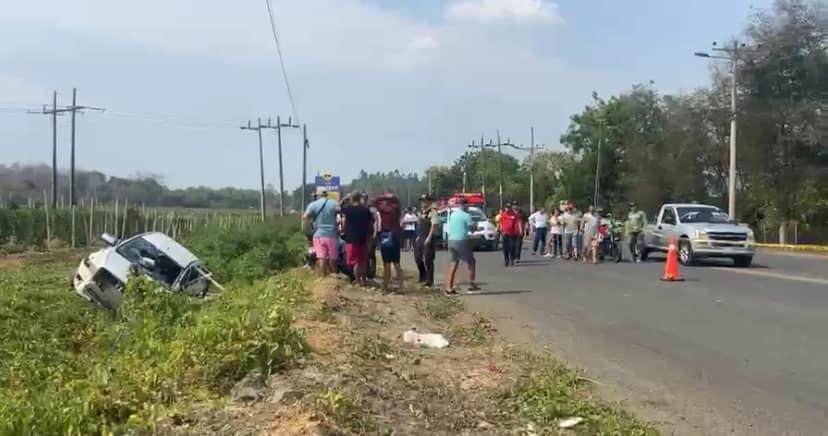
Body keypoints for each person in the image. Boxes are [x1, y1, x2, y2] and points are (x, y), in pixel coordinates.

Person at [444, 198, 479, 295]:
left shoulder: (453, 215)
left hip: (451, 240)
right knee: (471, 261)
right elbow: (472, 228)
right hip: (461, 240)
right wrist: (475, 226)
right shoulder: (466, 215)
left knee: (454, 263)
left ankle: (449, 288)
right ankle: (471, 284)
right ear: (465, 205)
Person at [340, 192, 374, 286]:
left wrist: (344, 199)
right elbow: (370, 223)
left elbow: (338, 207)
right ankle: (363, 280)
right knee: (362, 260)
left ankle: (358, 281)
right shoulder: (365, 210)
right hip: (363, 238)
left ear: (351, 199)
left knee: (355, 262)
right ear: (359, 198)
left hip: (351, 238)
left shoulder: (348, 209)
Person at [303, 190, 339, 276]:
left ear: (318, 195)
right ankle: (335, 277)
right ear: (326, 195)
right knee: (333, 259)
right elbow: (340, 213)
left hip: (318, 235)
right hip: (332, 235)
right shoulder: (334, 203)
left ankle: (323, 277)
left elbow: (305, 217)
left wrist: (310, 227)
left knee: (322, 258)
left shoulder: (313, 205)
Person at [373, 192, 403, 292]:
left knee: (387, 262)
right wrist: (390, 197)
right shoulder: (396, 208)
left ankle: (385, 285)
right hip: (394, 235)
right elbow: (396, 201)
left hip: (386, 235)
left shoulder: (384, 209)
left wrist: (383, 197)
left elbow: (374, 201)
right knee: (395, 262)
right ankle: (400, 284)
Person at [414, 194, 439, 289]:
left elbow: (433, 226)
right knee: (418, 258)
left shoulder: (433, 212)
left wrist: (429, 238)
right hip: (420, 237)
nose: (422, 203)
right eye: (421, 201)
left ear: (429, 202)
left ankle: (429, 281)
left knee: (428, 259)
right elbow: (419, 224)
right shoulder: (420, 212)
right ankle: (422, 275)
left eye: (424, 201)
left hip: (429, 237)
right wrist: (418, 236)